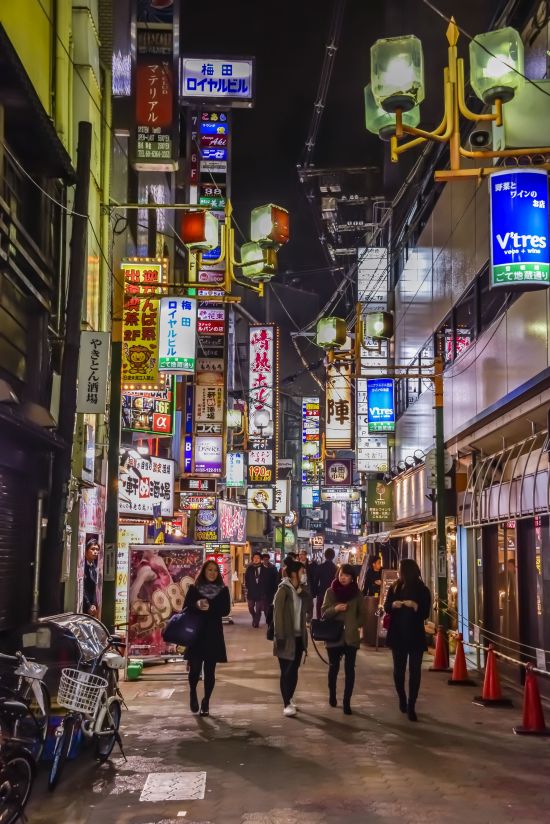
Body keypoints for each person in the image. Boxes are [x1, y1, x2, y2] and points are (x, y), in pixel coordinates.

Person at [384, 558, 432, 722]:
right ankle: (402, 698)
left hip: (415, 635)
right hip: (397, 634)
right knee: (398, 671)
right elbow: (386, 606)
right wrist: (393, 605)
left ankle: (412, 705)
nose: (398, 572)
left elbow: (426, 613)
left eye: (400, 569)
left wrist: (415, 606)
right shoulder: (395, 587)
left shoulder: (422, 590)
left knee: (415, 672)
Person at [183, 560, 231, 716]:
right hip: (196, 634)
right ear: (204, 571)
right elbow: (185, 607)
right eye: (209, 570)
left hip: (213, 634)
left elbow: (225, 610)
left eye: (215, 571)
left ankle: (206, 701)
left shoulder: (223, 590)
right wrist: (196, 604)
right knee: (195, 669)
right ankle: (192, 693)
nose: (212, 573)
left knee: (210, 671)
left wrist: (211, 607)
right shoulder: (194, 589)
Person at [321, 564, 365, 715]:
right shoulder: (330, 592)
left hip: (351, 638)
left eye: (346, 575)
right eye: (341, 574)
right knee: (333, 668)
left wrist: (354, 626)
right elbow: (324, 613)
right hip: (334, 637)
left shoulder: (357, 594)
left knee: (349, 670)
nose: (343, 577)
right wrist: (336, 609)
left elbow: (362, 615)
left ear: (352, 577)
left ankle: (347, 702)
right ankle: (332, 695)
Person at [273, 559, 313, 717]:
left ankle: (290, 697)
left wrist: (301, 592)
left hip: (299, 637)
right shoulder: (283, 590)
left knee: (294, 670)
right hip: (285, 637)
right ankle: (286, 703)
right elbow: (277, 615)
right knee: (286, 671)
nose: (304, 575)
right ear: (294, 574)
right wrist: (280, 636)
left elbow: (309, 604)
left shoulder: (302, 590)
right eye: (302, 572)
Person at [244, 551, 270, 627]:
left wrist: (265, 591)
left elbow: (267, 581)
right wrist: (248, 587)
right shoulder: (249, 569)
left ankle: (256, 622)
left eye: (258, 558)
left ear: (260, 559)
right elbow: (246, 579)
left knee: (258, 609)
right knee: (250, 607)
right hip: (251, 591)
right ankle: (254, 616)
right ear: (252, 559)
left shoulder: (265, 569)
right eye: (254, 558)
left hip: (261, 592)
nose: (256, 559)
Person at [314, 548, 337, 619]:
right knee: (331, 612)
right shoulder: (336, 568)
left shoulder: (320, 567)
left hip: (321, 593)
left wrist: (316, 592)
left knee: (320, 612)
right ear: (333, 556)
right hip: (333, 593)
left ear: (325, 556)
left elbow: (316, 581)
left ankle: (319, 626)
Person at [83, 539, 100, 616]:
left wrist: (93, 604)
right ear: (86, 551)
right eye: (92, 549)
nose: (95, 552)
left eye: (97, 549)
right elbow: (82, 588)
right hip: (83, 605)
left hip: (92, 606)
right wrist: (88, 605)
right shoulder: (82, 566)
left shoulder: (94, 566)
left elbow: (94, 588)